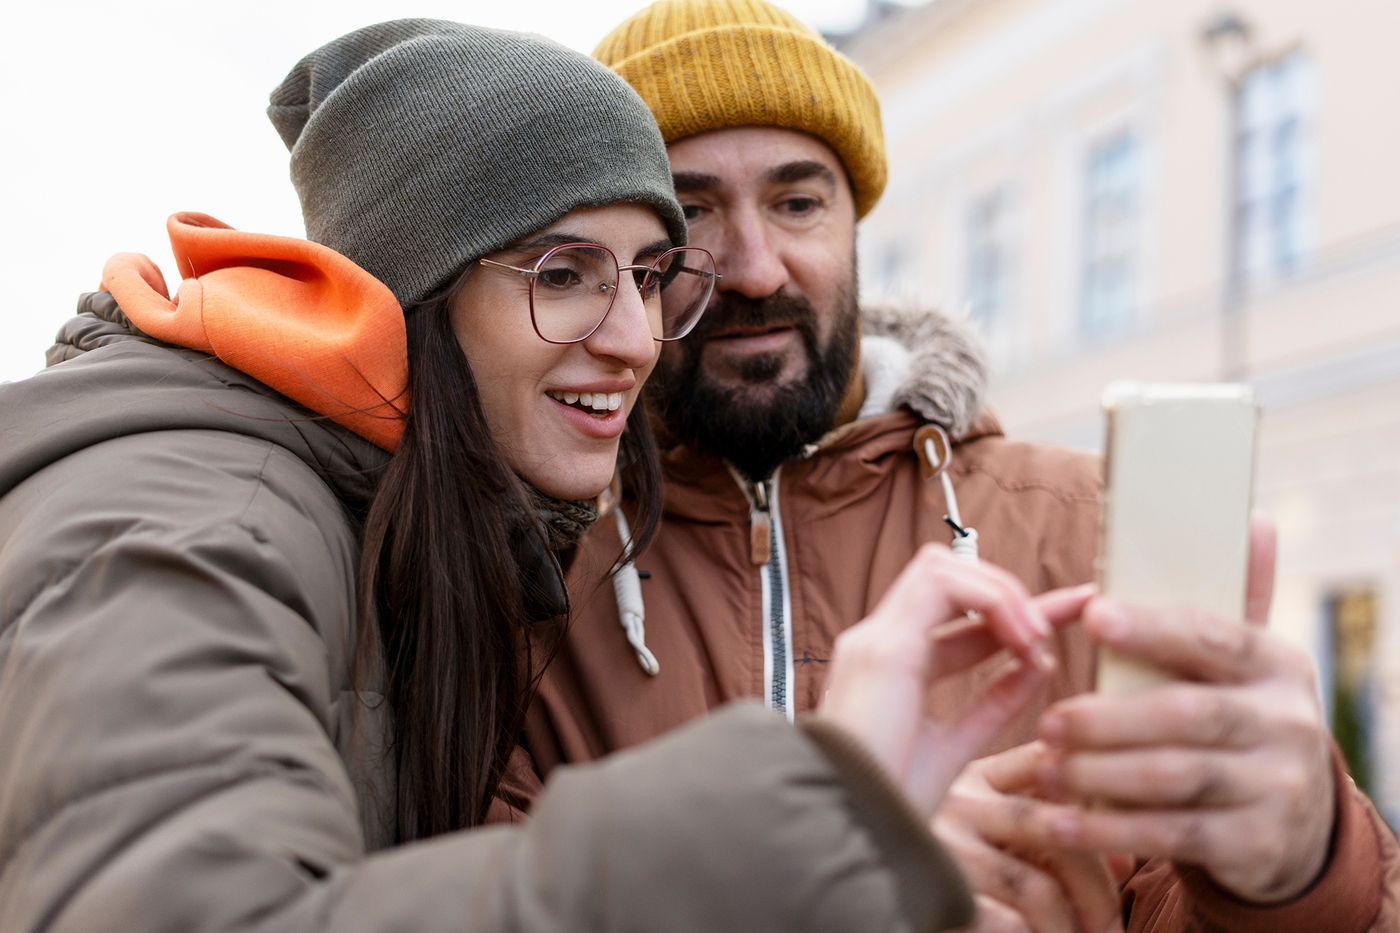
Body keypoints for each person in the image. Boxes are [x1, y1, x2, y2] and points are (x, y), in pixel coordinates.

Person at [0, 18, 1078, 933]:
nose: (632, 340)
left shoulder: (431, 528)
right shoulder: (201, 516)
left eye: (650, 278)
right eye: (562, 274)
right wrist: (806, 830)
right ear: (416, 296)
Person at [501, 1, 1400, 931]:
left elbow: (1199, 881)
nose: (757, 268)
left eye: (798, 201)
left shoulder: (1088, 522)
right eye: (691, 214)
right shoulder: (522, 580)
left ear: (856, 224)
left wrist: (1299, 870)